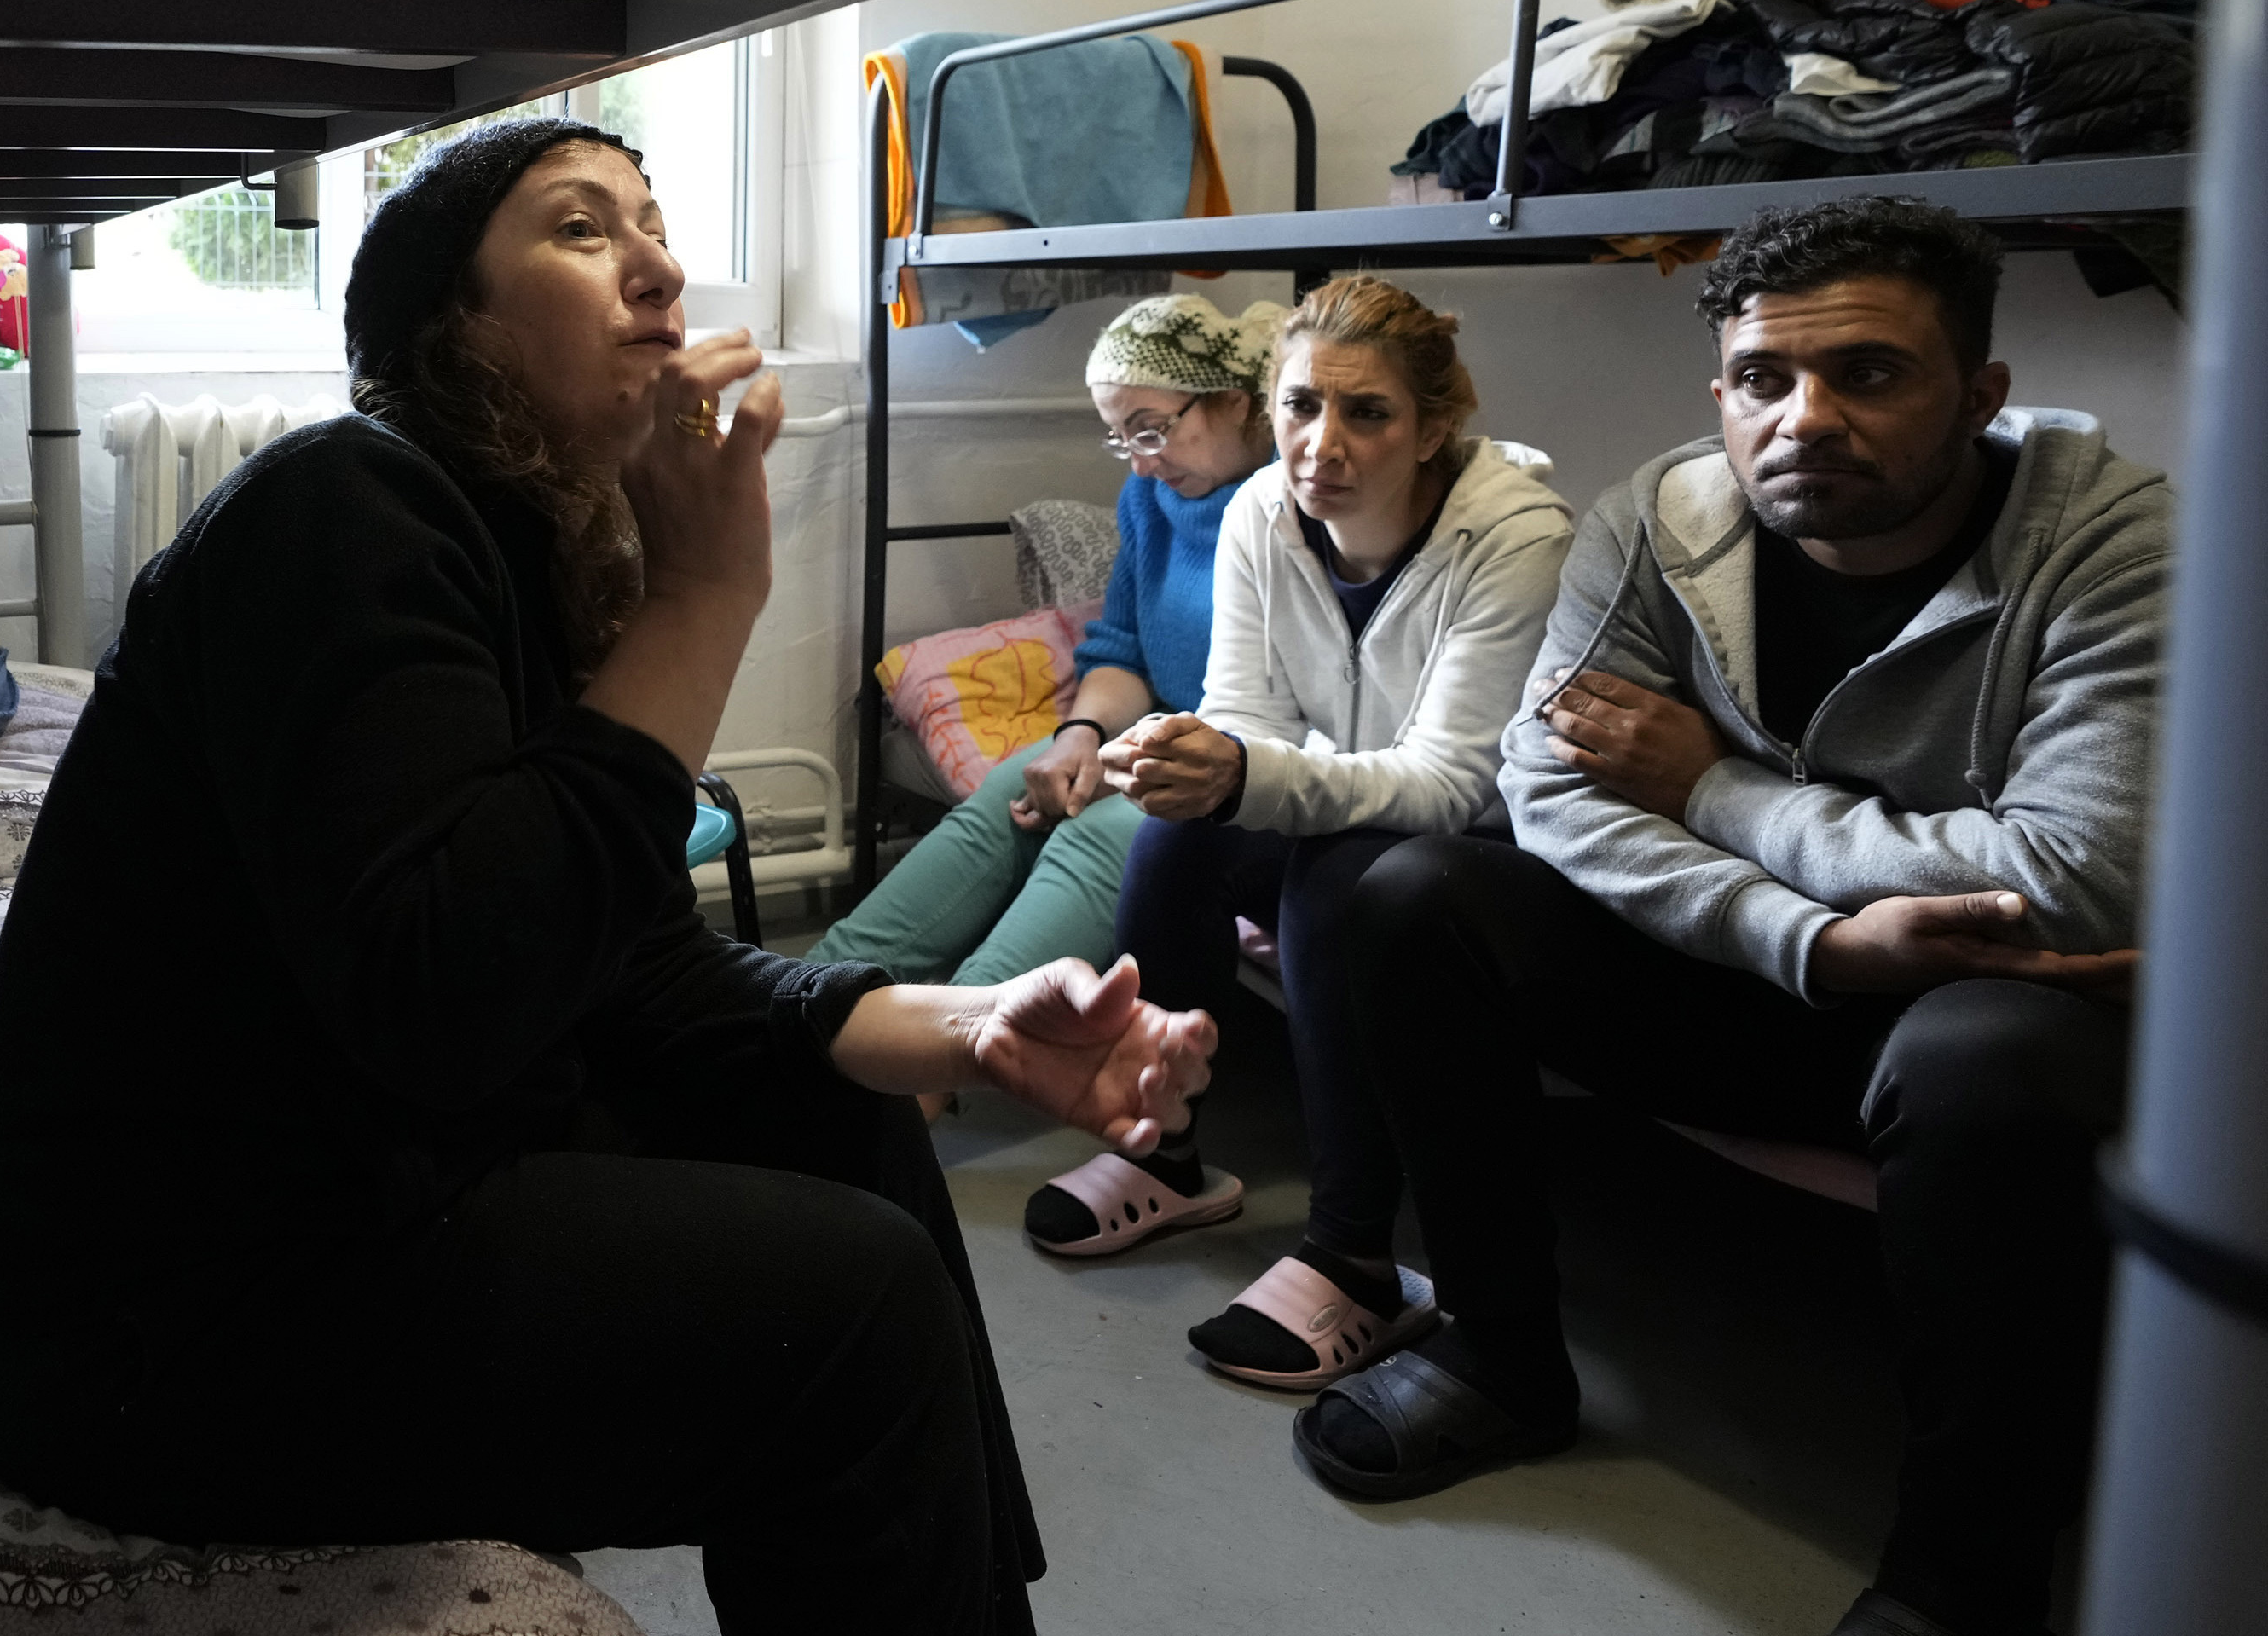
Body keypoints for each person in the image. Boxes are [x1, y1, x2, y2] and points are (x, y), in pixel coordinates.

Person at [0, 119, 1215, 1635]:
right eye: (582, 229)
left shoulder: (517, 548)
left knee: (838, 1121)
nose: (659, 261)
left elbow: (633, 962)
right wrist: (711, 590)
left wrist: (970, 1023)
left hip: (331, 1174)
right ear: (450, 325)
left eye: (653, 223)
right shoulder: (341, 508)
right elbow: (451, 995)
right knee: (848, 1306)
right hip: (143, 1309)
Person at [1312, 199, 2166, 1636]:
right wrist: (1817, 941)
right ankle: (1500, 1354)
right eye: (1764, 379)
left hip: (1968, 1012)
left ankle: (1965, 1573)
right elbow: (1547, 782)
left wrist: (1715, 787)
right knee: (1406, 894)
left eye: (1871, 375)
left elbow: (2070, 873)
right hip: (1773, 970)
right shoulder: (1661, 512)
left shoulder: (2109, 537)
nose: (1804, 417)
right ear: (1721, 394)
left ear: (1979, 394)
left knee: (1989, 1057)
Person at [1027, 276, 1576, 1396]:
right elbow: (1244, 719)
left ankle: (1354, 1253)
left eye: (1363, 412)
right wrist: (1193, 762)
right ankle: (1160, 1147)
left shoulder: (1514, 535)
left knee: (1333, 880)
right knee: (1174, 838)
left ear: (1432, 426)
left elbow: (1451, 779)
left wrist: (1240, 772)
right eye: (1295, 406)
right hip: (1349, 805)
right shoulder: (1255, 514)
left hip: (1480, 850)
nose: (1318, 443)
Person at [810, 294, 1282, 995]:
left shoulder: (1289, 503)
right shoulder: (1148, 498)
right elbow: (1122, 647)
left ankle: (952, 1041)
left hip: (1248, 752)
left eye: (1150, 430)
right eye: (1121, 438)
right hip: (1158, 730)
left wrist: (1148, 752)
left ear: (1236, 401)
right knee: (1012, 796)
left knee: (1098, 833)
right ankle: (804, 998)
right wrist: (1080, 733)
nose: (1140, 464)